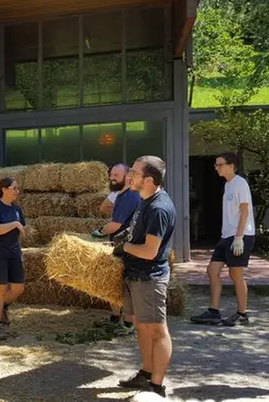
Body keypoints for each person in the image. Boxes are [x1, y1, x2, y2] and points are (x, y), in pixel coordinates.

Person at [114, 156, 176, 398]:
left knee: (157, 331)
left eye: (135, 172)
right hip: (135, 273)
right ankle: (147, 372)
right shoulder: (144, 198)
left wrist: (124, 247)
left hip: (149, 277)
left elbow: (150, 252)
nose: (130, 175)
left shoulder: (159, 208)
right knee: (141, 326)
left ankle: (156, 387)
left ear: (148, 179)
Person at [190, 152, 256, 327]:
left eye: (220, 164)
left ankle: (242, 313)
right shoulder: (228, 185)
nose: (217, 168)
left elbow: (244, 211)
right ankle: (214, 311)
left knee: (236, 275)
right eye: (216, 165)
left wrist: (239, 237)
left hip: (240, 235)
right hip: (226, 236)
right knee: (212, 270)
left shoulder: (240, 184)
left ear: (231, 165)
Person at [91, 164, 142, 336]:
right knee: (115, 283)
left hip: (127, 247)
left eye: (116, 174)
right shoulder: (121, 195)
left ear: (128, 177)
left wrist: (98, 232)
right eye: (111, 174)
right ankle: (115, 318)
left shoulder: (130, 196)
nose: (112, 177)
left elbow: (115, 225)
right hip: (119, 244)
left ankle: (128, 323)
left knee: (126, 286)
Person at [0, 177, 26, 341]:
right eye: (14, 188)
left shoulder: (16, 210)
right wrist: (14, 224)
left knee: (18, 288)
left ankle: (2, 307)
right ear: (4, 189)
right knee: (0, 289)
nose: (17, 191)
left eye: (17, 188)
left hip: (14, 252)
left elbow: (20, 230)